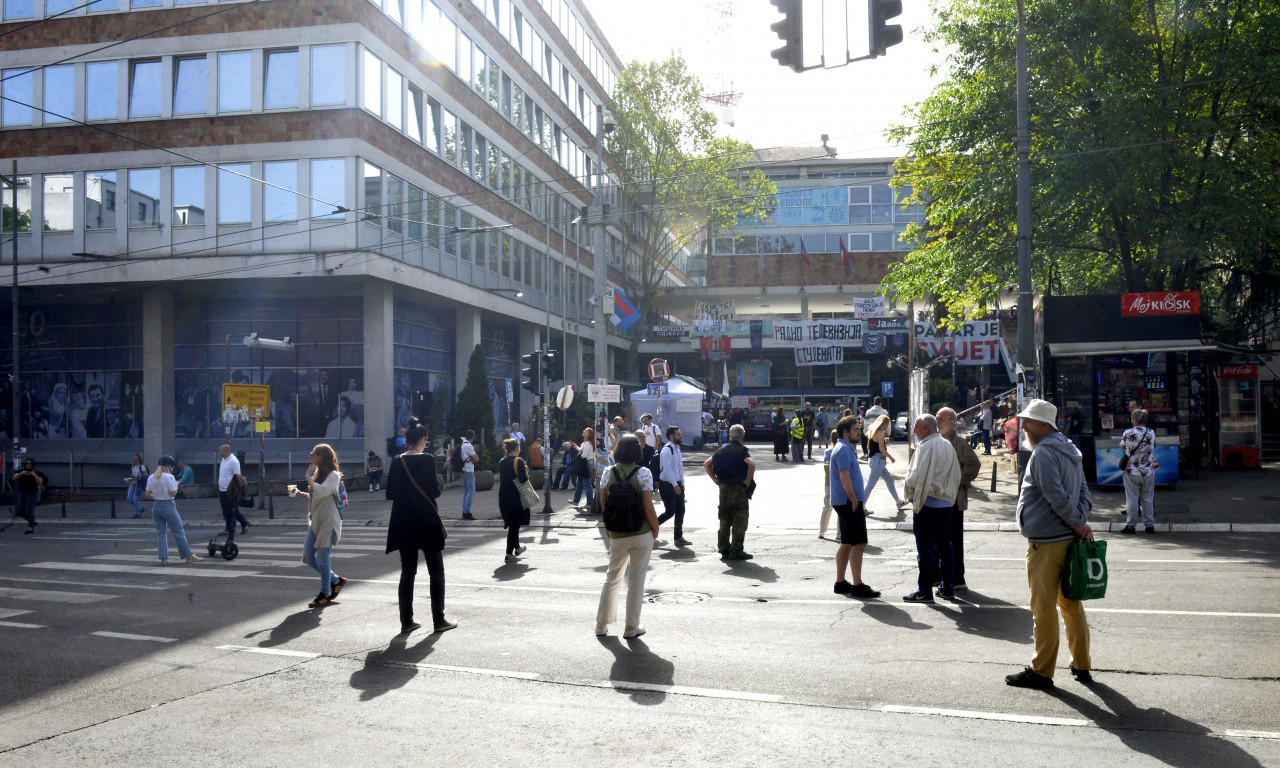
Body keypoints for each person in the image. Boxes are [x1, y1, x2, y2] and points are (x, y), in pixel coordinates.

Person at [1005, 399, 1094, 690]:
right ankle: (1081, 664)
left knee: (1043, 608)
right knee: (1070, 604)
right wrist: (1079, 521)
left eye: (1028, 422)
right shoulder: (1069, 449)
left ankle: (1041, 671)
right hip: (1066, 537)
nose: (1024, 427)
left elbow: (1056, 496)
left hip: (1047, 541)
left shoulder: (1043, 452)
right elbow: (1083, 492)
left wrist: (1077, 523)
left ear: (1043, 425)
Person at [385, 418, 455, 635]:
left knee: (407, 571)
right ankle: (439, 620)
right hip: (426, 520)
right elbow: (434, 491)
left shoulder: (397, 461)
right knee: (436, 571)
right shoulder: (427, 459)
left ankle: (406, 621)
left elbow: (389, 493)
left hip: (403, 522)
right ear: (423, 439)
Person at [595, 435, 660, 639]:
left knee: (612, 577)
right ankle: (631, 626)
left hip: (617, 532)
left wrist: (609, 527)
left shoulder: (607, 472)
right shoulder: (644, 473)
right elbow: (648, 506)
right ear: (637, 452)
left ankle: (601, 624)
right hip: (641, 531)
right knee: (636, 580)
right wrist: (655, 528)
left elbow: (604, 504)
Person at [901, 415, 961, 603]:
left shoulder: (925, 446)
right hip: (946, 503)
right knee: (945, 546)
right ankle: (947, 587)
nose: (914, 431)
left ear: (927, 428)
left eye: (917, 427)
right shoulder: (947, 445)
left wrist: (911, 493)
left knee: (925, 549)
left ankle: (925, 590)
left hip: (927, 504)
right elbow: (956, 473)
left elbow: (915, 474)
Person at [830, 416, 880, 597]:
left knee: (846, 543)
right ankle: (858, 586)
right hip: (848, 502)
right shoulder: (843, 449)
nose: (860, 432)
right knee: (859, 543)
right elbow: (844, 477)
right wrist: (854, 499)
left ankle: (840, 582)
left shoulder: (844, 448)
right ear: (845, 432)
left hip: (844, 501)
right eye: (856, 430)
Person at [293, 443, 347, 609]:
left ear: (321, 456)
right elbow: (318, 494)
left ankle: (324, 595)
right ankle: (336, 580)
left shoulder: (334, 475)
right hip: (316, 520)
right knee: (308, 557)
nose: (310, 454)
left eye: (314, 453)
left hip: (328, 521)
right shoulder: (318, 473)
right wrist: (303, 494)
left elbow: (323, 491)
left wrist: (308, 478)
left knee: (323, 558)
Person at [936, 407, 982, 590]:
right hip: (942, 499)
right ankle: (945, 576)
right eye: (937, 418)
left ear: (952, 423)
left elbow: (974, 464)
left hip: (954, 499)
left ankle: (957, 578)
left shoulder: (958, 443)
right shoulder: (939, 440)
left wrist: (958, 482)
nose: (938, 422)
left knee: (954, 540)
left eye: (941, 419)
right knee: (942, 539)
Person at [704, 424, 756, 560]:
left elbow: (706, 464)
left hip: (723, 488)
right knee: (740, 520)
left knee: (724, 519)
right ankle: (736, 550)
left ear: (730, 435)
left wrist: (715, 479)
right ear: (742, 436)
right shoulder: (742, 450)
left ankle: (724, 548)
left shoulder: (721, 450)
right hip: (738, 488)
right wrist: (747, 481)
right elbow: (751, 464)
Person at [144, 456, 200, 565]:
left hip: (156, 506)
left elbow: (147, 494)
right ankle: (188, 556)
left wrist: (157, 496)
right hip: (168, 505)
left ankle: (163, 558)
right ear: (169, 466)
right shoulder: (169, 477)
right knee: (178, 531)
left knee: (161, 533)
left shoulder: (151, 477)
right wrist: (175, 485)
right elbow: (173, 493)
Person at [1120, 408, 1158, 534]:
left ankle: (1131, 526)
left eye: (1132, 418)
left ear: (1135, 419)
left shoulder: (1128, 432)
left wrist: (1128, 450)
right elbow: (1153, 446)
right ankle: (1149, 526)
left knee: (1132, 499)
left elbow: (1122, 445)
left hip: (1132, 471)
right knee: (1148, 499)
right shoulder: (1151, 432)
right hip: (1148, 471)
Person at [865, 414, 909, 512]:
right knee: (870, 484)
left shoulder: (872, 430)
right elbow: (881, 449)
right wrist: (890, 457)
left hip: (874, 459)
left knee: (889, 480)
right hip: (878, 460)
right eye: (887, 424)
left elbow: (868, 447)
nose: (887, 426)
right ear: (883, 423)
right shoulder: (881, 432)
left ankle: (898, 501)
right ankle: (861, 505)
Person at [497, 438, 531, 563]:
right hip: (516, 497)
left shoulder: (502, 461)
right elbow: (523, 479)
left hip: (504, 496)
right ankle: (508, 554)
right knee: (514, 526)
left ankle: (517, 548)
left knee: (513, 524)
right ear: (517, 448)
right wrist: (526, 472)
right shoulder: (519, 461)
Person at [655, 425, 689, 546]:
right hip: (667, 485)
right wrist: (675, 485)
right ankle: (650, 529)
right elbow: (667, 470)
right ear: (671, 436)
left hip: (677, 484)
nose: (681, 436)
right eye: (678, 434)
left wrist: (682, 483)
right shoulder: (666, 450)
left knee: (681, 510)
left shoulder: (677, 449)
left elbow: (679, 468)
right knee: (670, 511)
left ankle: (678, 537)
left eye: (680, 434)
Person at [216, 444, 250, 537]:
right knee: (225, 511)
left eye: (220, 450)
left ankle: (234, 527)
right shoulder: (223, 460)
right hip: (222, 490)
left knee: (231, 510)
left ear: (226, 451)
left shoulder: (234, 461)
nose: (219, 452)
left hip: (230, 491)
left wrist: (236, 491)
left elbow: (237, 476)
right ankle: (238, 525)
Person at [11, 457, 47, 534]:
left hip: (32, 493)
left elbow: (40, 483)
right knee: (20, 510)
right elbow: (14, 478)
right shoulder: (21, 471)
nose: (28, 465)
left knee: (30, 509)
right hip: (22, 493)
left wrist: (34, 475)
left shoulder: (37, 472)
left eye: (30, 463)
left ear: (33, 465)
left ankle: (30, 528)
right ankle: (32, 521)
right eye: (27, 463)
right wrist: (22, 473)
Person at [819, 429, 839, 540]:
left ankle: (822, 531)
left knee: (827, 506)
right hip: (840, 482)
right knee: (842, 508)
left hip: (829, 481)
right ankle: (840, 533)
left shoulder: (828, 452)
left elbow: (826, 465)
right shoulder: (844, 450)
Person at [571, 427, 597, 508]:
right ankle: (576, 501)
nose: (583, 431)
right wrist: (576, 447)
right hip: (586, 463)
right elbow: (581, 450)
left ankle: (590, 503)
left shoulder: (588, 443)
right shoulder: (587, 443)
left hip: (586, 464)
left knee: (587, 483)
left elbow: (584, 455)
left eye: (585, 431)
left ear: (589, 435)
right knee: (580, 482)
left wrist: (578, 457)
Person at [459, 429, 478, 520]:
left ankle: (464, 511)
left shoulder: (462, 445)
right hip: (469, 470)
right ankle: (467, 512)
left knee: (466, 492)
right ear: (473, 437)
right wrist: (473, 459)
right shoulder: (468, 446)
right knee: (471, 491)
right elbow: (476, 458)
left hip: (462, 470)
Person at [124, 454, 148, 519]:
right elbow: (132, 475)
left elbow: (146, 475)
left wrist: (137, 476)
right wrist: (129, 479)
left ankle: (138, 513)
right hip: (133, 484)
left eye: (136, 459)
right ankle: (140, 508)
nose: (134, 460)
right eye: (133, 459)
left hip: (138, 485)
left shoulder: (142, 466)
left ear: (139, 460)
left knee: (135, 499)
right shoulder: (133, 466)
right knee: (129, 499)